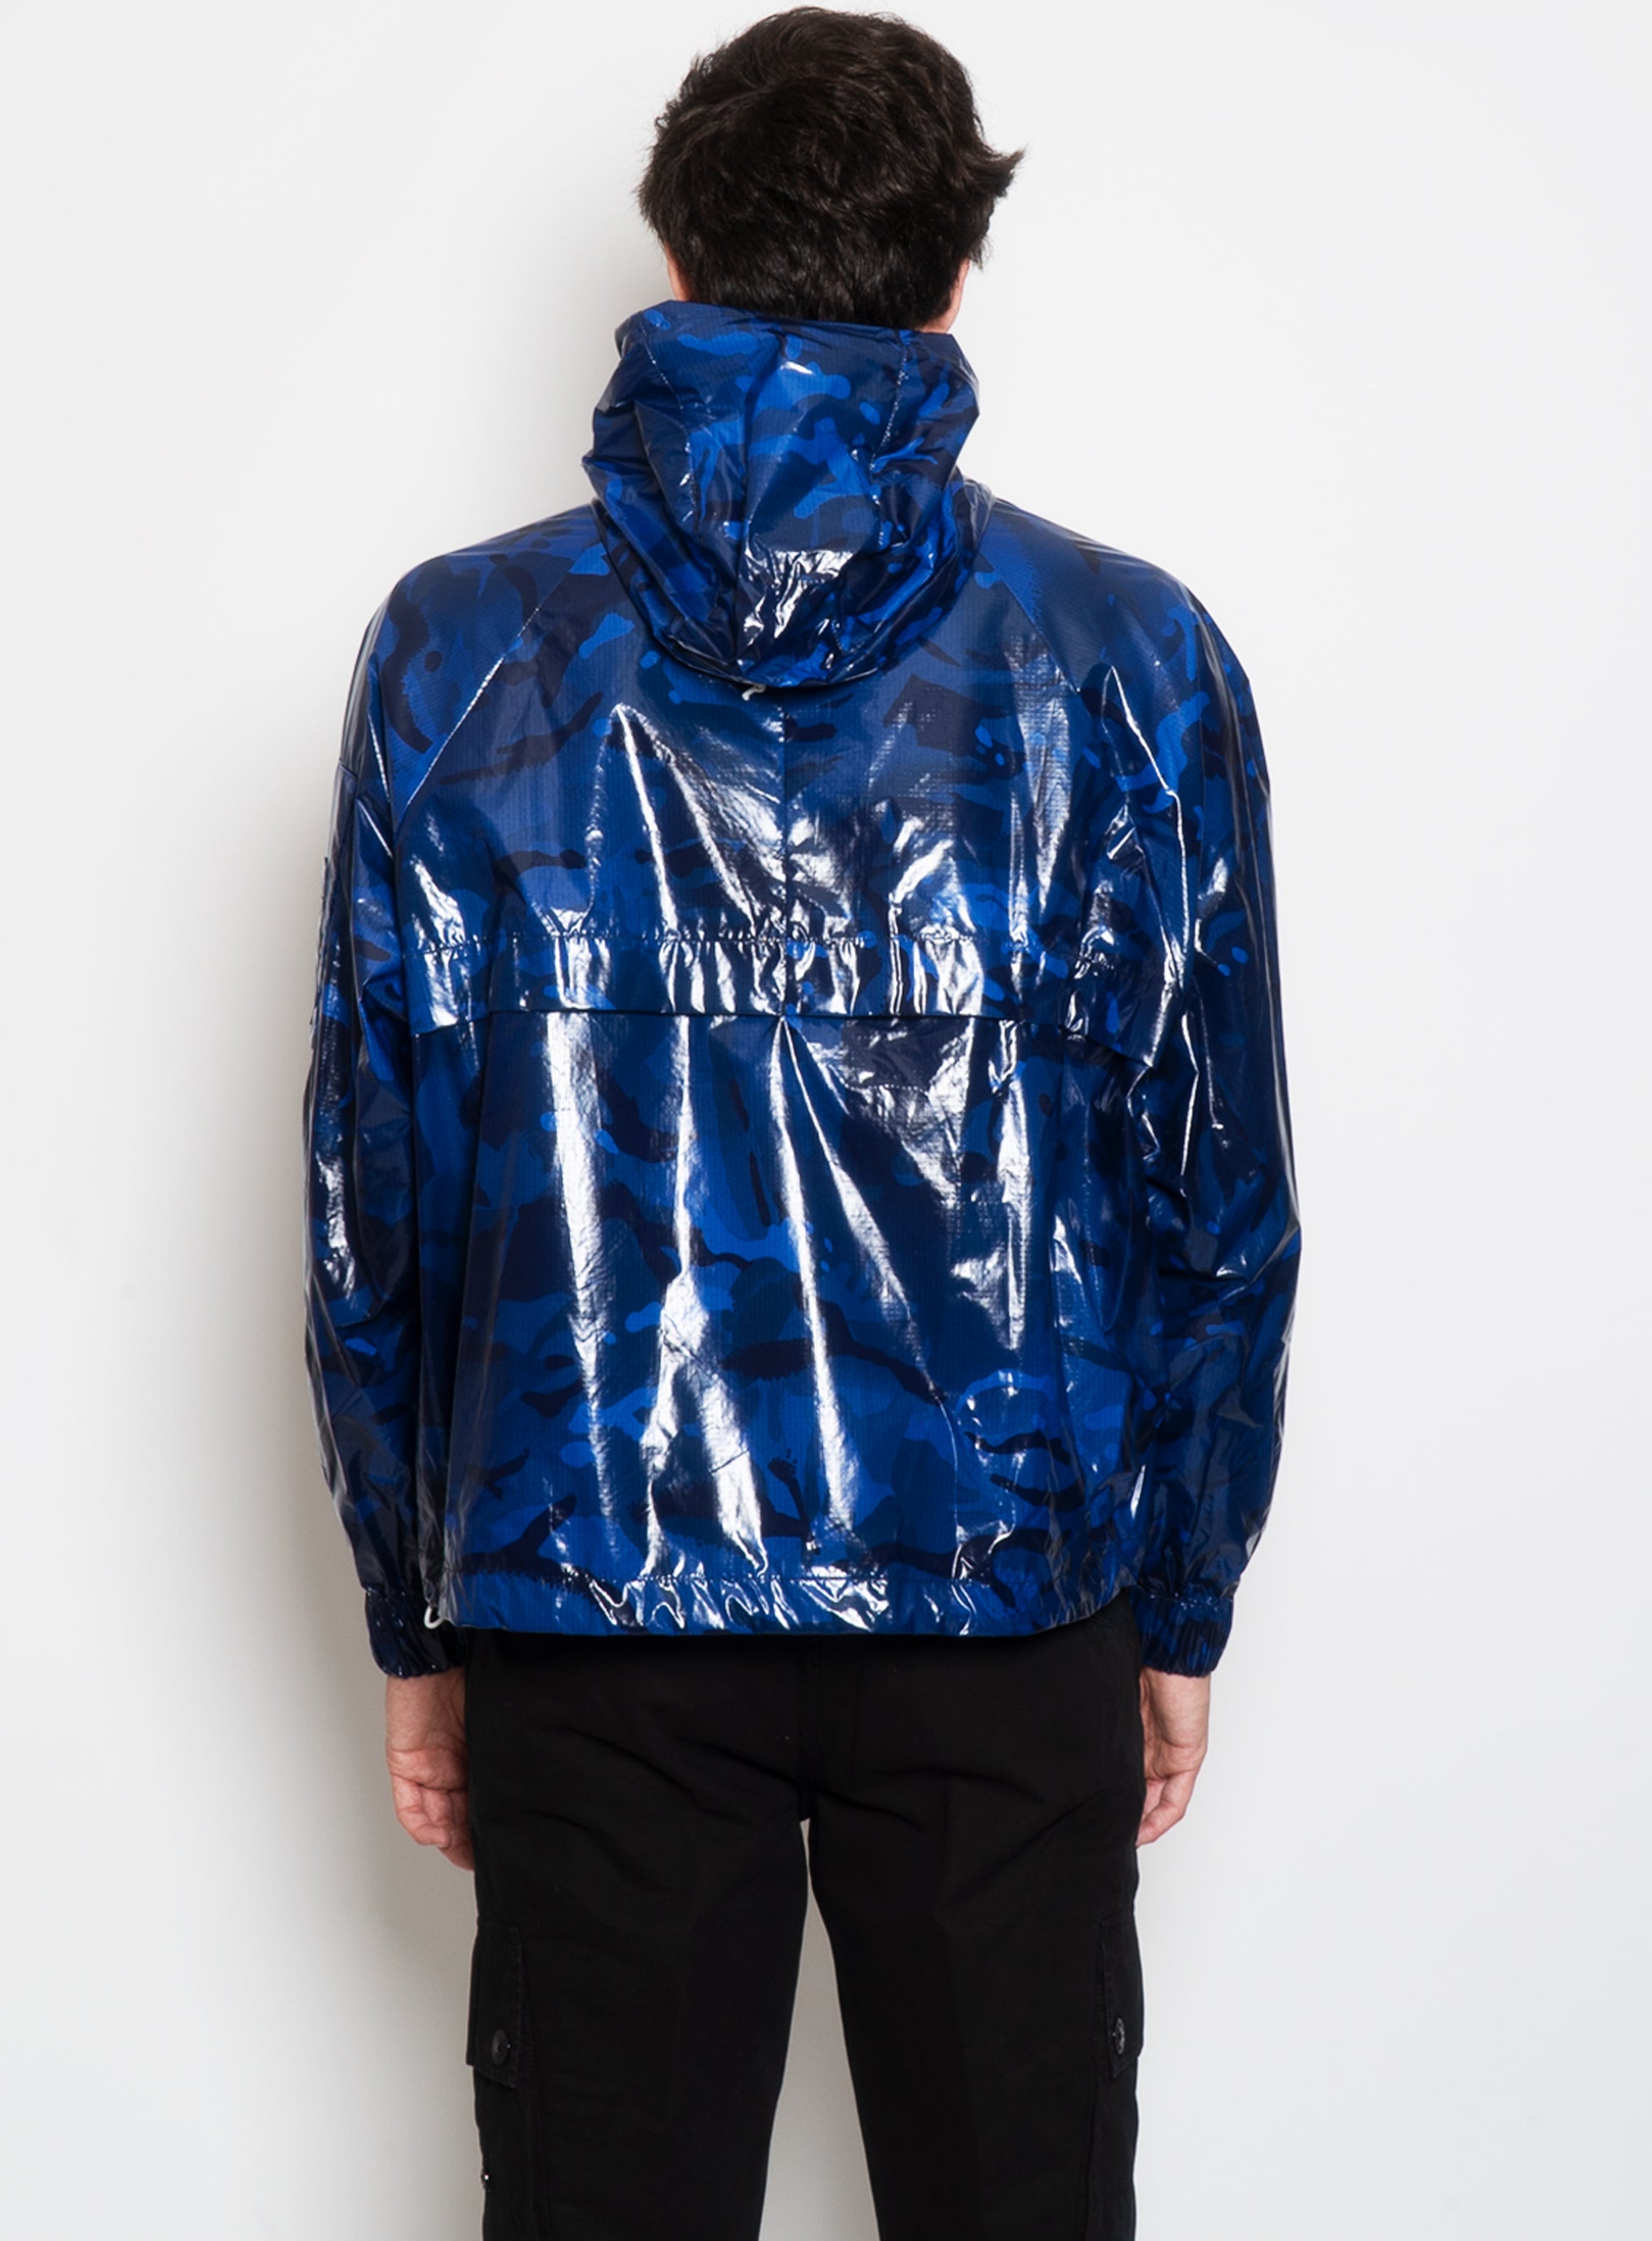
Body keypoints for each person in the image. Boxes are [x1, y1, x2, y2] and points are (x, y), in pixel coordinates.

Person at [302, 10, 1301, 2236]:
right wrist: (1181, 1596)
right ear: (957, 275)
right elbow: (1218, 1187)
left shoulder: (456, 652)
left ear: (671, 258)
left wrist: (417, 1607)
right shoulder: (1129, 657)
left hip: (590, 1588)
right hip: (1011, 1587)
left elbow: (378, 1186)